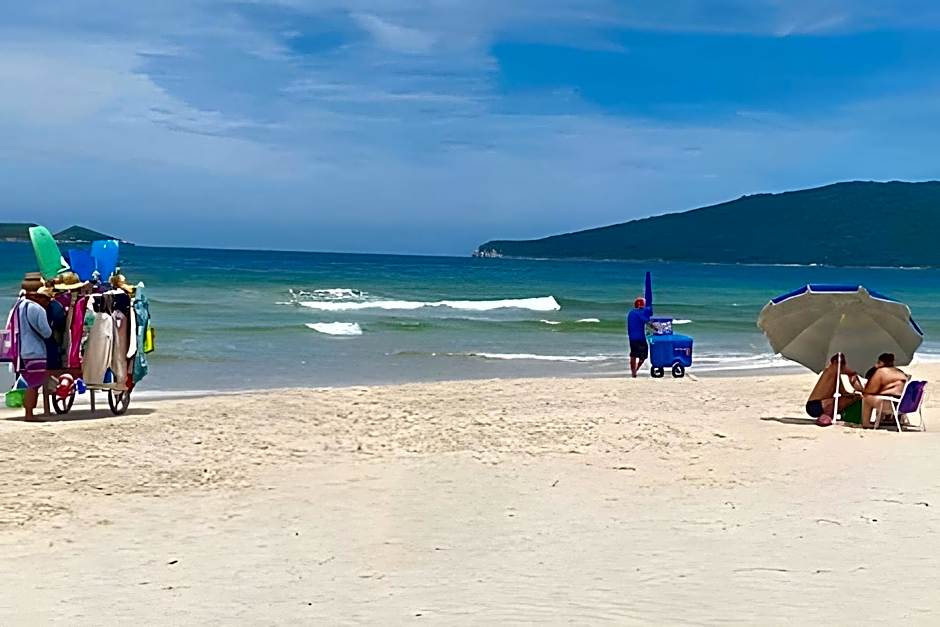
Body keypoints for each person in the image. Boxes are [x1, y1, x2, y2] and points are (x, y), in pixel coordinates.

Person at [15, 275, 53, 421]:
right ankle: (29, 414)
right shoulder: (38, 310)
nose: (48, 302)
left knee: (28, 381)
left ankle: (27, 412)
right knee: (34, 383)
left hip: (21, 350)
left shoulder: (19, 306)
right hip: (35, 351)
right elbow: (46, 332)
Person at [805, 353, 863, 422]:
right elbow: (857, 386)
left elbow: (842, 391)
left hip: (815, 405)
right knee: (857, 397)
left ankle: (828, 414)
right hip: (817, 405)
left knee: (853, 397)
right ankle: (827, 415)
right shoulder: (832, 371)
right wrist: (853, 375)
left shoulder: (833, 372)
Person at [862, 353, 909, 429]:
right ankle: (882, 419)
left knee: (866, 397)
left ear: (881, 362)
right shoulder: (899, 372)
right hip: (903, 404)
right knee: (882, 396)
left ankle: (866, 423)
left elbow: (870, 390)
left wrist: (874, 368)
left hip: (891, 405)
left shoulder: (881, 372)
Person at [627, 296, 653, 378]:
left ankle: (633, 372)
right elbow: (648, 322)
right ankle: (636, 369)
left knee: (633, 355)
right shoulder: (641, 313)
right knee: (644, 355)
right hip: (640, 337)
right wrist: (656, 328)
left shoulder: (630, 313)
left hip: (631, 337)